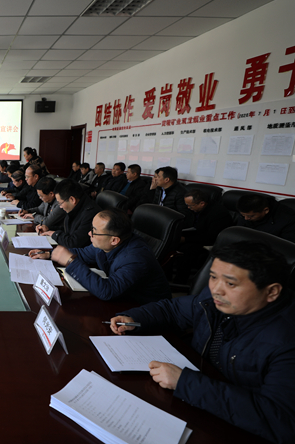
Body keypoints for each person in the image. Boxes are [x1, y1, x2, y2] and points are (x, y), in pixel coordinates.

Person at [109, 242, 295, 443]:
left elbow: (280, 421)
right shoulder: (217, 299)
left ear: (271, 292)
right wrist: (134, 318)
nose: (216, 290)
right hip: (198, 400)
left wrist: (186, 383)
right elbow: (173, 309)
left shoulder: (287, 341)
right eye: (213, 277)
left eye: (231, 284)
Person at [50, 209, 171, 304]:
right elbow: (83, 253)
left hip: (143, 309)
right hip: (122, 298)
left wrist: (70, 261)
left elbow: (107, 291)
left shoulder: (136, 259)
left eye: (94, 231)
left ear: (114, 240)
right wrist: (50, 253)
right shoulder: (106, 241)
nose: (89, 233)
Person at [174, 189, 233, 283]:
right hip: (195, 235)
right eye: (187, 205)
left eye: (190, 205)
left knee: (186, 249)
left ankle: (180, 281)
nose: (188, 208)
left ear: (202, 203)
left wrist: (186, 239)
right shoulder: (194, 210)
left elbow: (211, 236)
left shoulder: (219, 214)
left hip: (209, 242)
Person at [32, 179, 100, 251]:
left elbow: (74, 242)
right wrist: (49, 229)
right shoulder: (76, 206)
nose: (60, 207)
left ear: (72, 199)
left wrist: (54, 234)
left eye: (60, 203)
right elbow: (68, 230)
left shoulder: (90, 214)